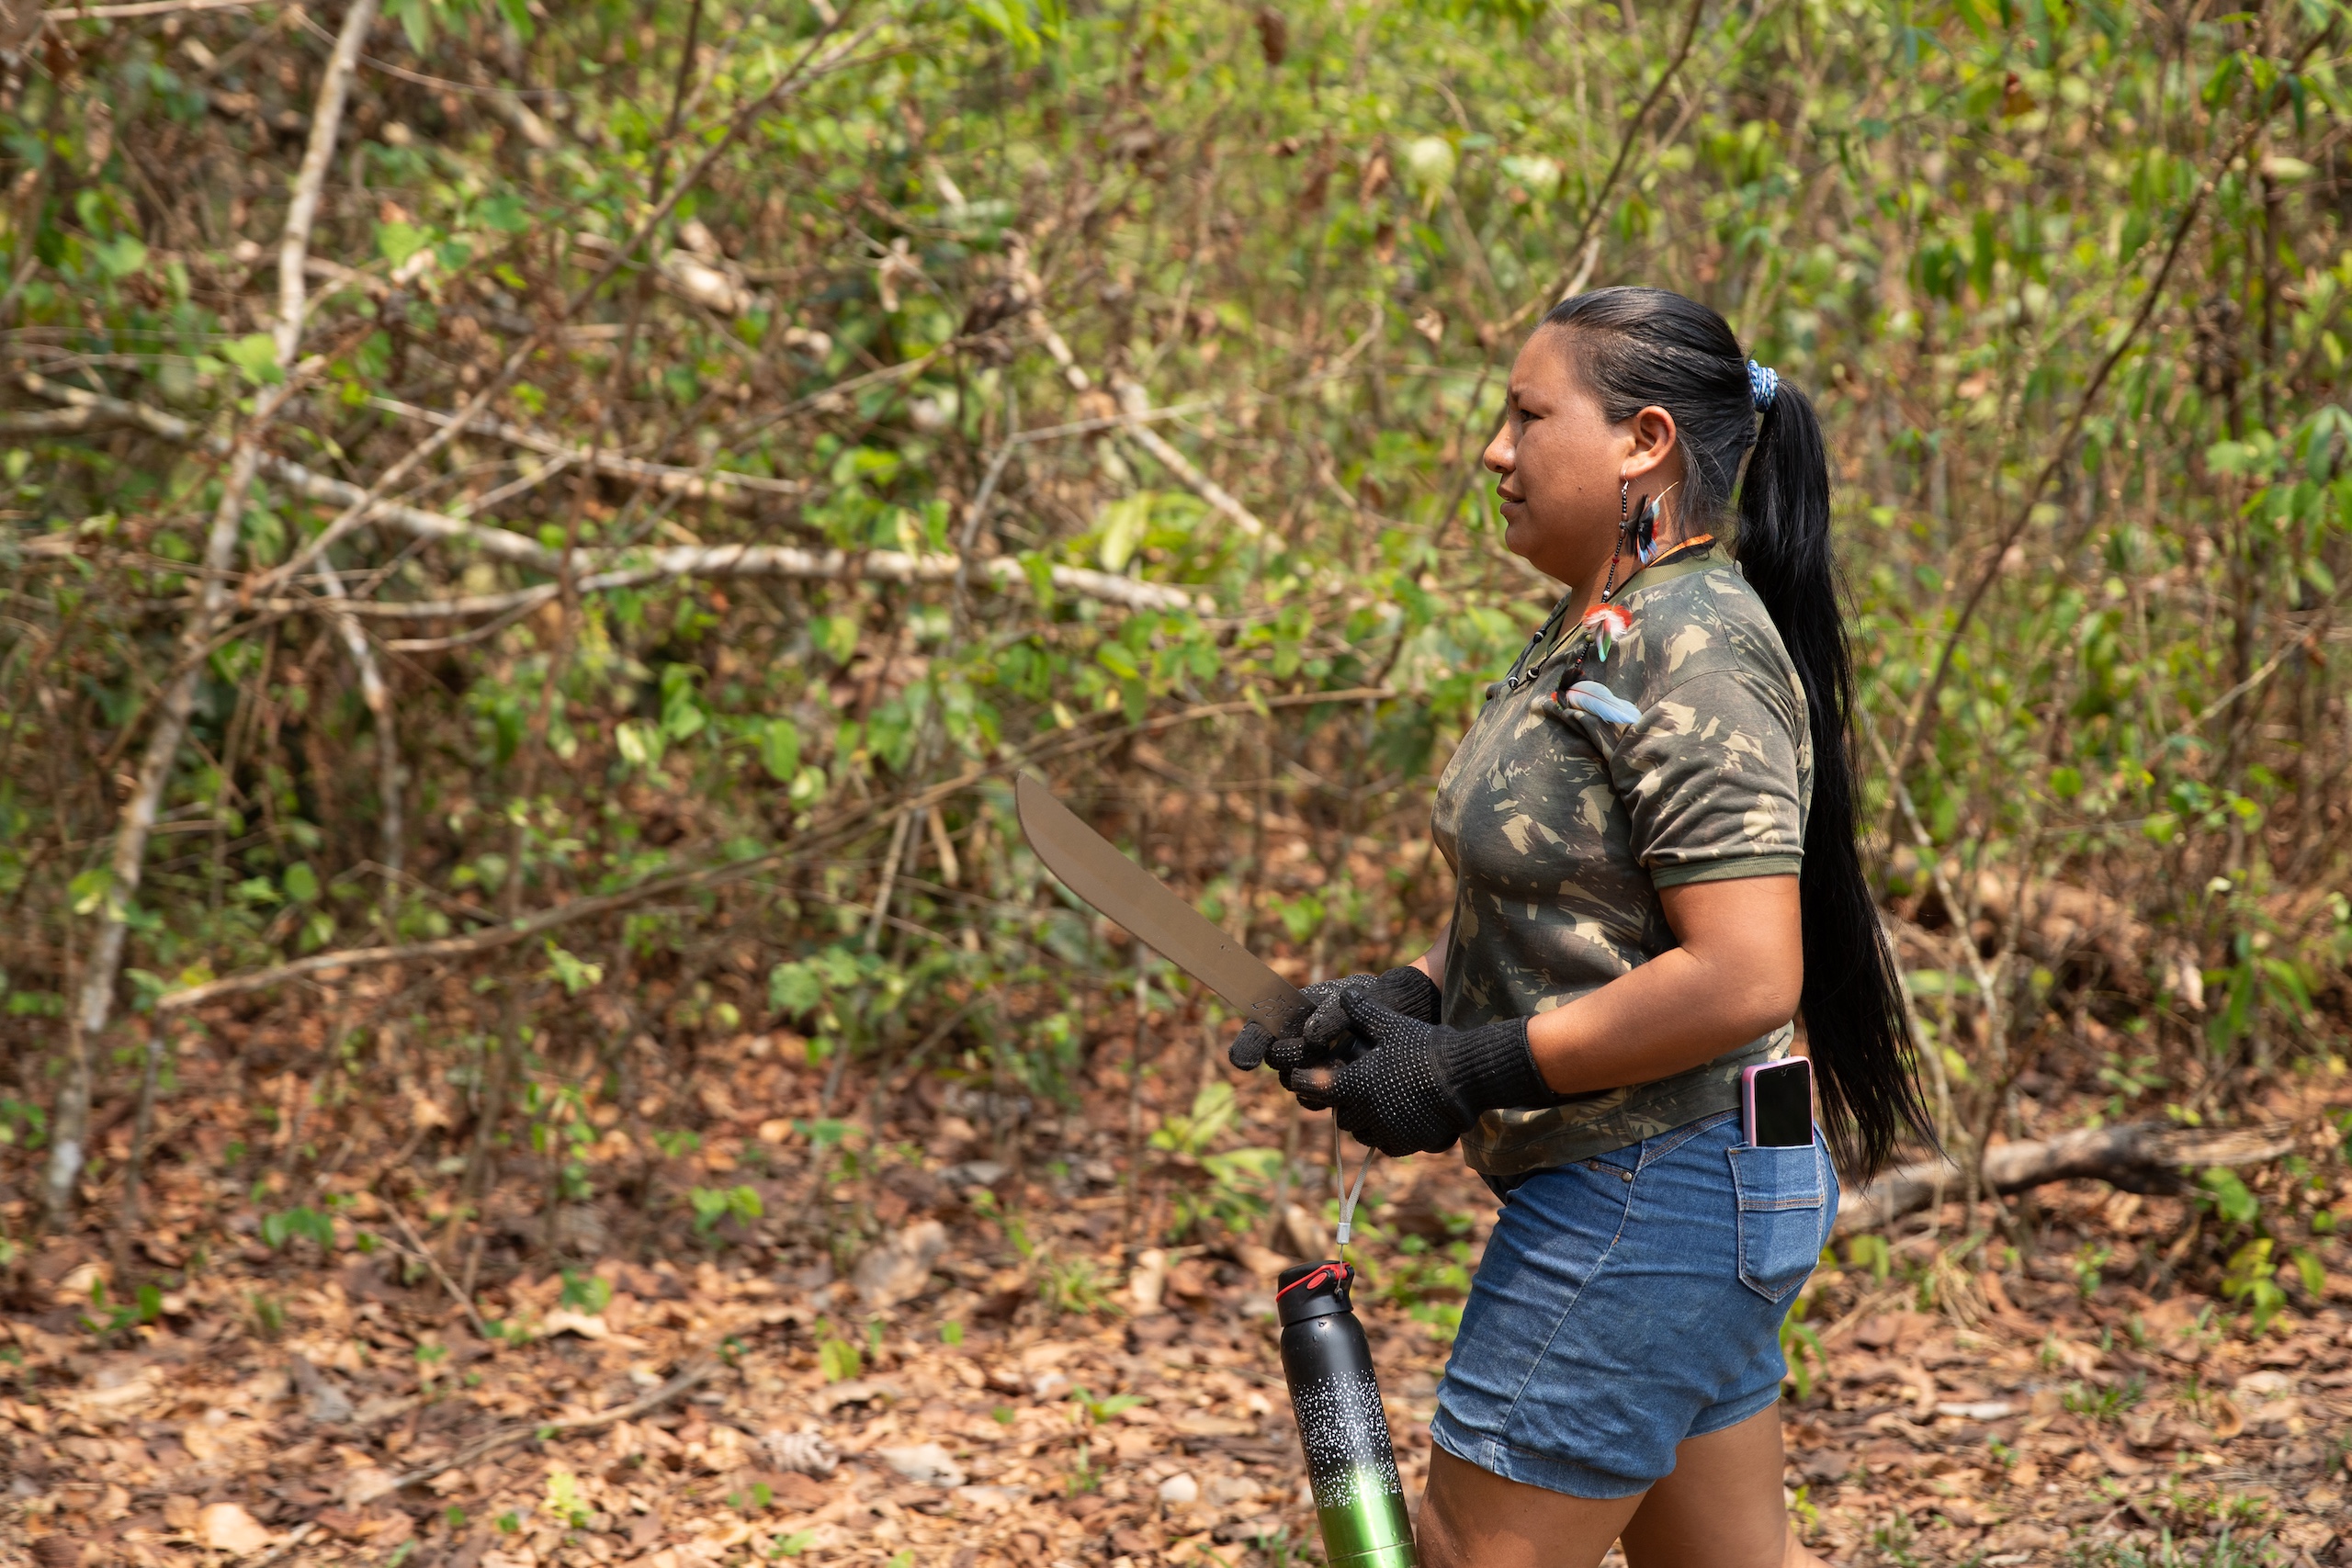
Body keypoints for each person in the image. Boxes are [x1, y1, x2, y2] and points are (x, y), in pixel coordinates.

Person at [1229, 287, 1932, 1568]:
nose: (1495, 452)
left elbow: (1743, 972)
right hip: (1684, 1183)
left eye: (1527, 415)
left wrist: (1472, 1068)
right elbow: (1569, 893)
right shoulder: (1598, 633)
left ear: (1643, 442)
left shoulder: (1694, 644)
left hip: (1657, 1185)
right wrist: (1413, 995)